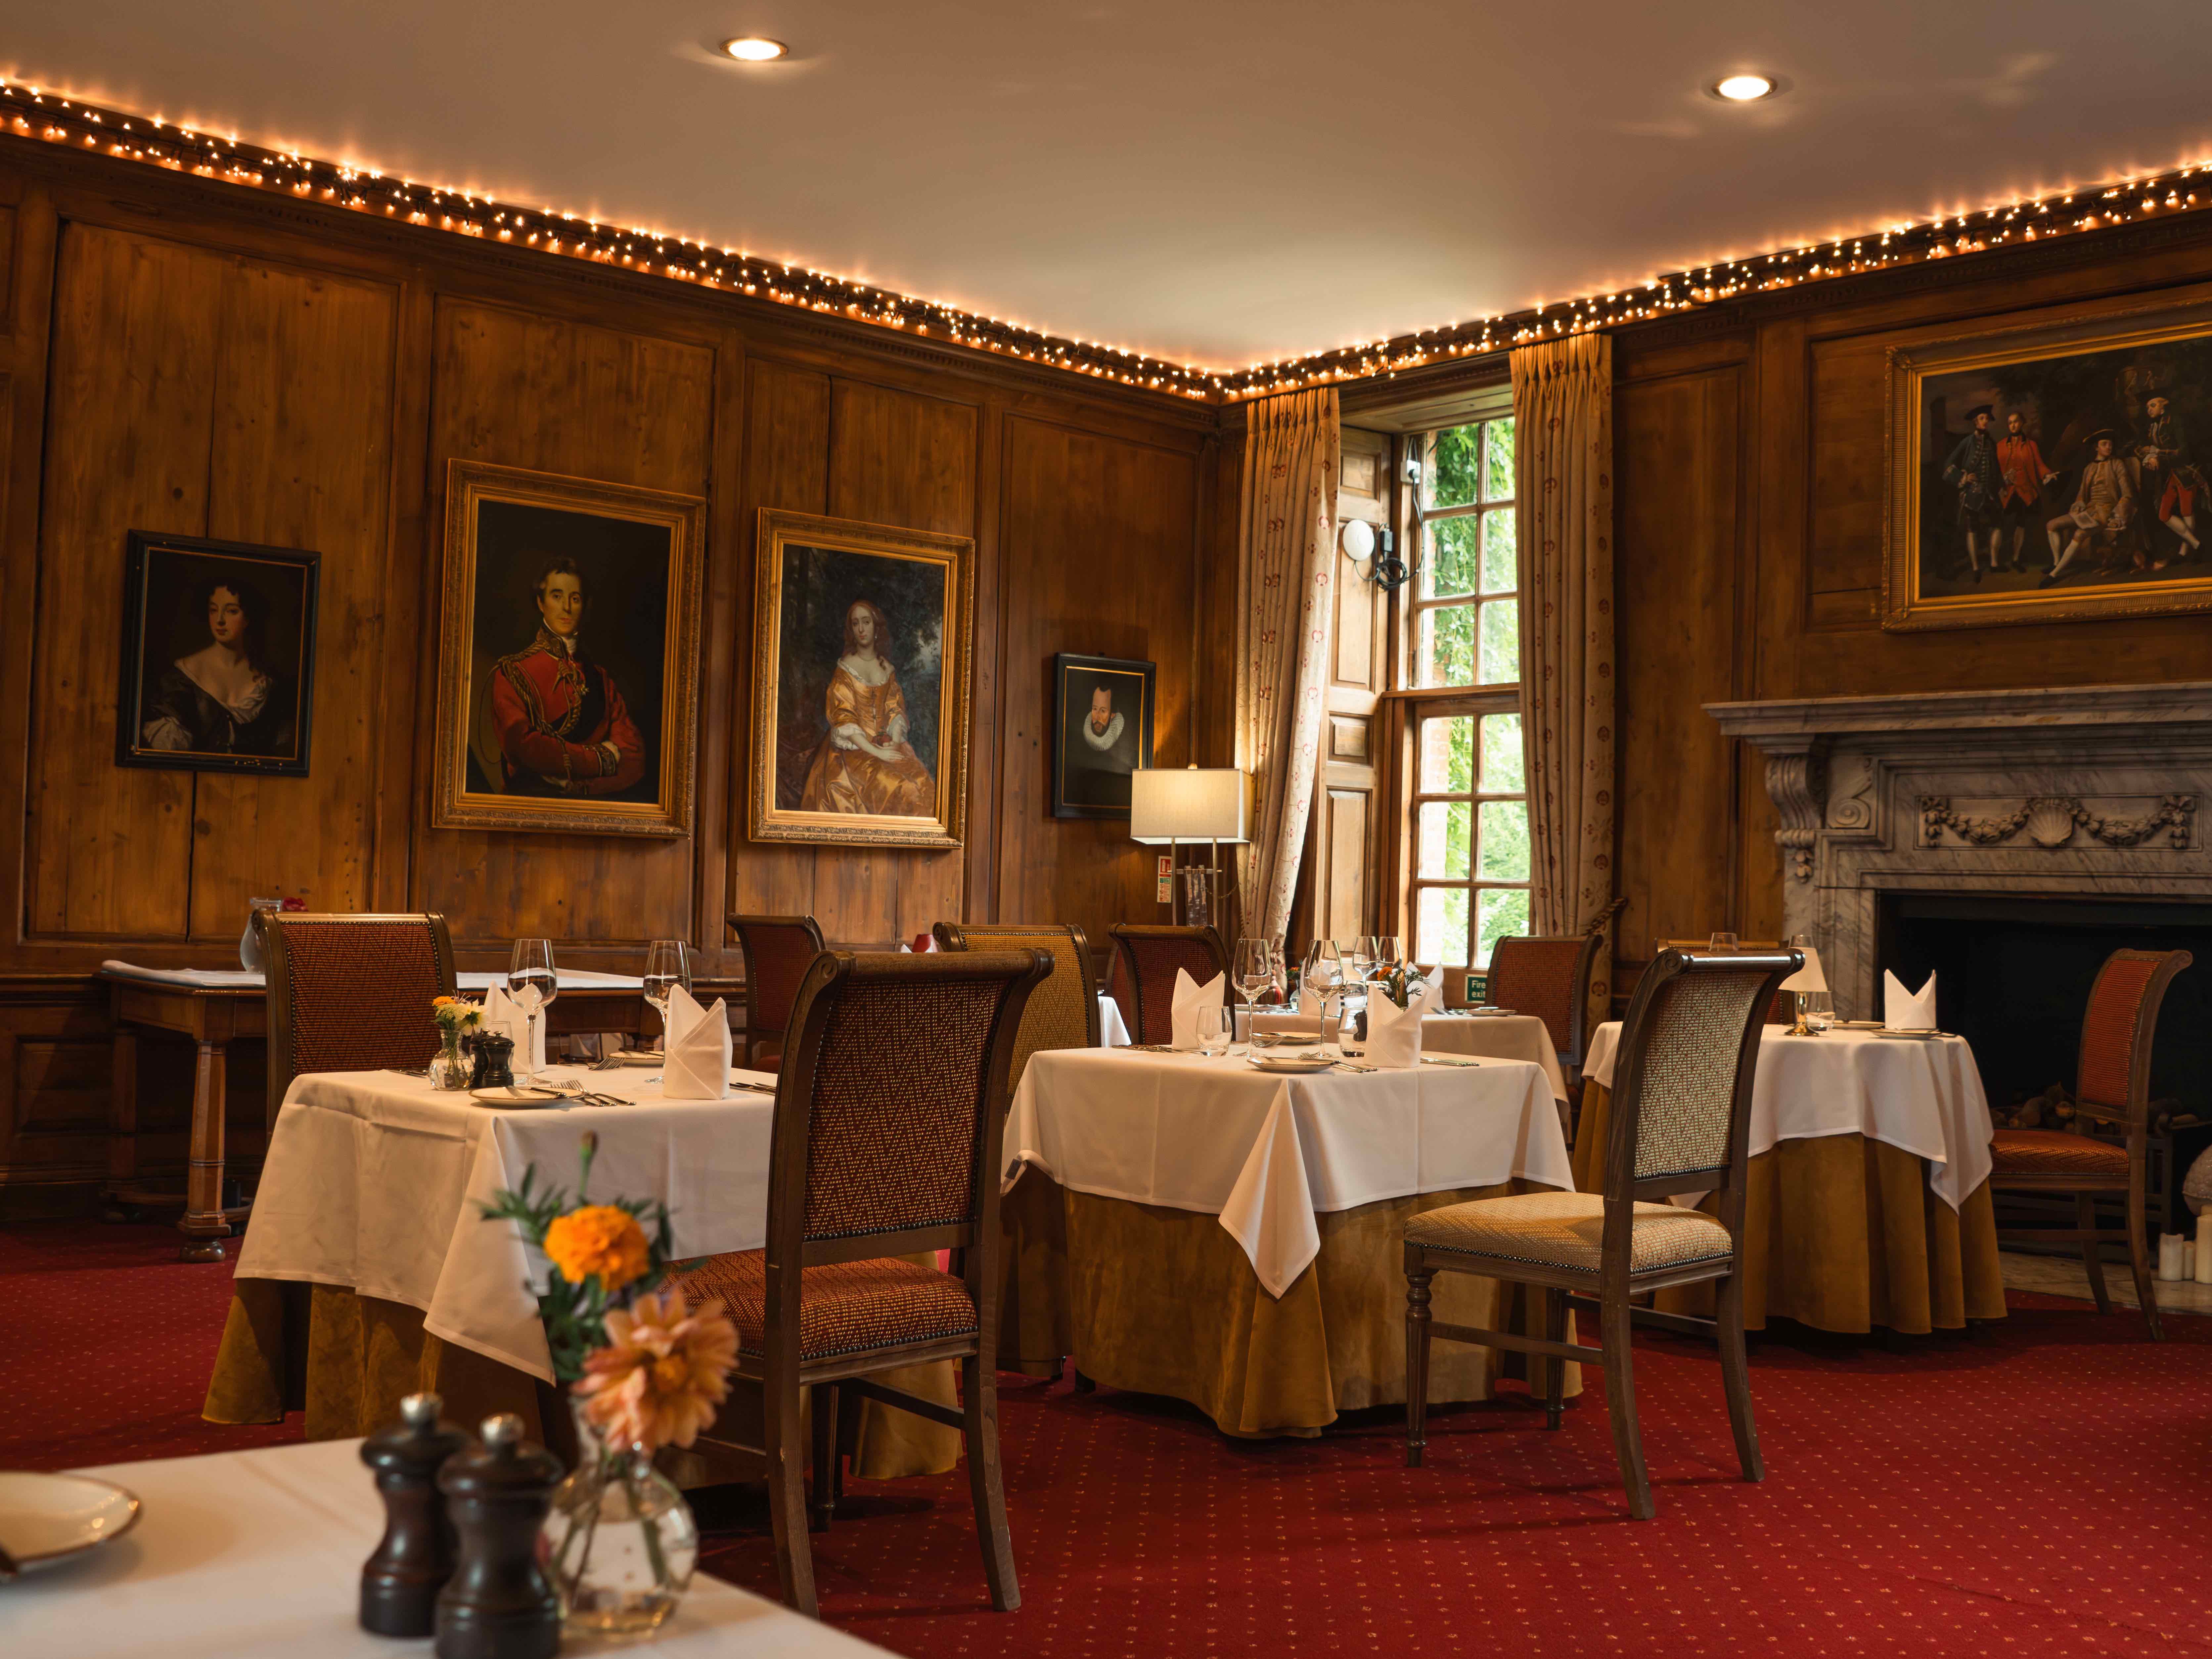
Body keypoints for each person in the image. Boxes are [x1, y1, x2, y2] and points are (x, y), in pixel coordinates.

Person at [489, 557, 645, 796]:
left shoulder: (601, 679)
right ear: (541, 603)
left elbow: (633, 756)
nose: (567, 608)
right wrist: (600, 760)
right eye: (557, 596)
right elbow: (522, 747)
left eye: (575, 599)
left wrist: (585, 789)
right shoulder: (513, 673)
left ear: (584, 606)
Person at [798, 600, 936, 817]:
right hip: (854, 751)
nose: (861, 629)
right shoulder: (845, 670)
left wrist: (895, 743)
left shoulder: (887, 669)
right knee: (900, 788)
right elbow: (844, 718)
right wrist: (878, 753)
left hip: (887, 744)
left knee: (924, 786)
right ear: (851, 630)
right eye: (855, 624)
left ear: (876, 627)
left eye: (866, 622)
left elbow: (895, 709)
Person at [140, 574, 298, 757]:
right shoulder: (181, 677)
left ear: (248, 618)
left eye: (232, 611)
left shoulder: (269, 681)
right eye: (214, 610)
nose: (220, 620)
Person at [2044, 431, 2136, 588]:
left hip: (2106, 512)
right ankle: (2056, 563)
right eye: (2105, 444)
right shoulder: (2089, 468)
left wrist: (2118, 515)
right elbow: (2082, 494)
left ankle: (2054, 574)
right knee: (2051, 525)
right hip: (2089, 510)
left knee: (2079, 535)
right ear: (2096, 448)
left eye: (2111, 444)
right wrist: (2079, 505)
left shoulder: (2117, 464)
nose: (2109, 447)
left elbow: (2127, 495)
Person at [2136, 393, 2203, 566]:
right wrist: (2149, 457)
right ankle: (2197, 545)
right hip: (2170, 474)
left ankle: (2184, 553)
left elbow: (2184, 452)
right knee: (2164, 514)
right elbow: (2145, 448)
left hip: (2186, 472)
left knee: (2187, 511)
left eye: (2153, 405)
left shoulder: (2176, 422)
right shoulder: (2152, 427)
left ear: (2163, 406)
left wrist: (2158, 454)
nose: (2149, 410)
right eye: (2147, 407)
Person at [1939, 405, 2002, 581]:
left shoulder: (1991, 443)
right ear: (1975, 422)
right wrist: (1963, 477)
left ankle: (1994, 563)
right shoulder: (1967, 442)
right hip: (1972, 493)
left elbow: (1996, 468)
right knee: (1972, 528)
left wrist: (2002, 486)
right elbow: (1948, 464)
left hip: (1989, 492)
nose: (1985, 421)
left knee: (1997, 524)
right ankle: (1975, 568)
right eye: (1982, 418)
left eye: (1987, 419)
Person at [1994, 410, 2056, 573]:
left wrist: (2047, 475)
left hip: (2025, 491)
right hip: (2006, 492)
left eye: (2016, 422)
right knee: (2000, 525)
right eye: (2010, 423)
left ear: (2022, 423)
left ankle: (2016, 559)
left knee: (2021, 525)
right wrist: (2002, 481)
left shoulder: (2031, 445)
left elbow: (2039, 465)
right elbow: (1995, 470)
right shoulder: (2001, 446)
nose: (2013, 425)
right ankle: (1995, 562)